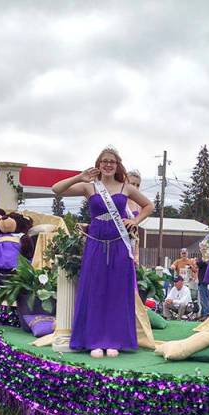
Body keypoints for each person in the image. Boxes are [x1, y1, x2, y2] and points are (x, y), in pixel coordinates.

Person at [52, 147, 153, 358]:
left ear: (118, 166)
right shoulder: (90, 187)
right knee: (94, 289)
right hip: (96, 243)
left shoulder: (126, 188)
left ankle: (116, 339)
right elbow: (56, 189)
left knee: (118, 290)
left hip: (119, 244)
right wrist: (79, 176)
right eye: (104, 161)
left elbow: (148, 206)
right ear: (98, 164)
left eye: (112, 162)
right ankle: (93, 340)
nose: (108, 165)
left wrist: (134, 221)